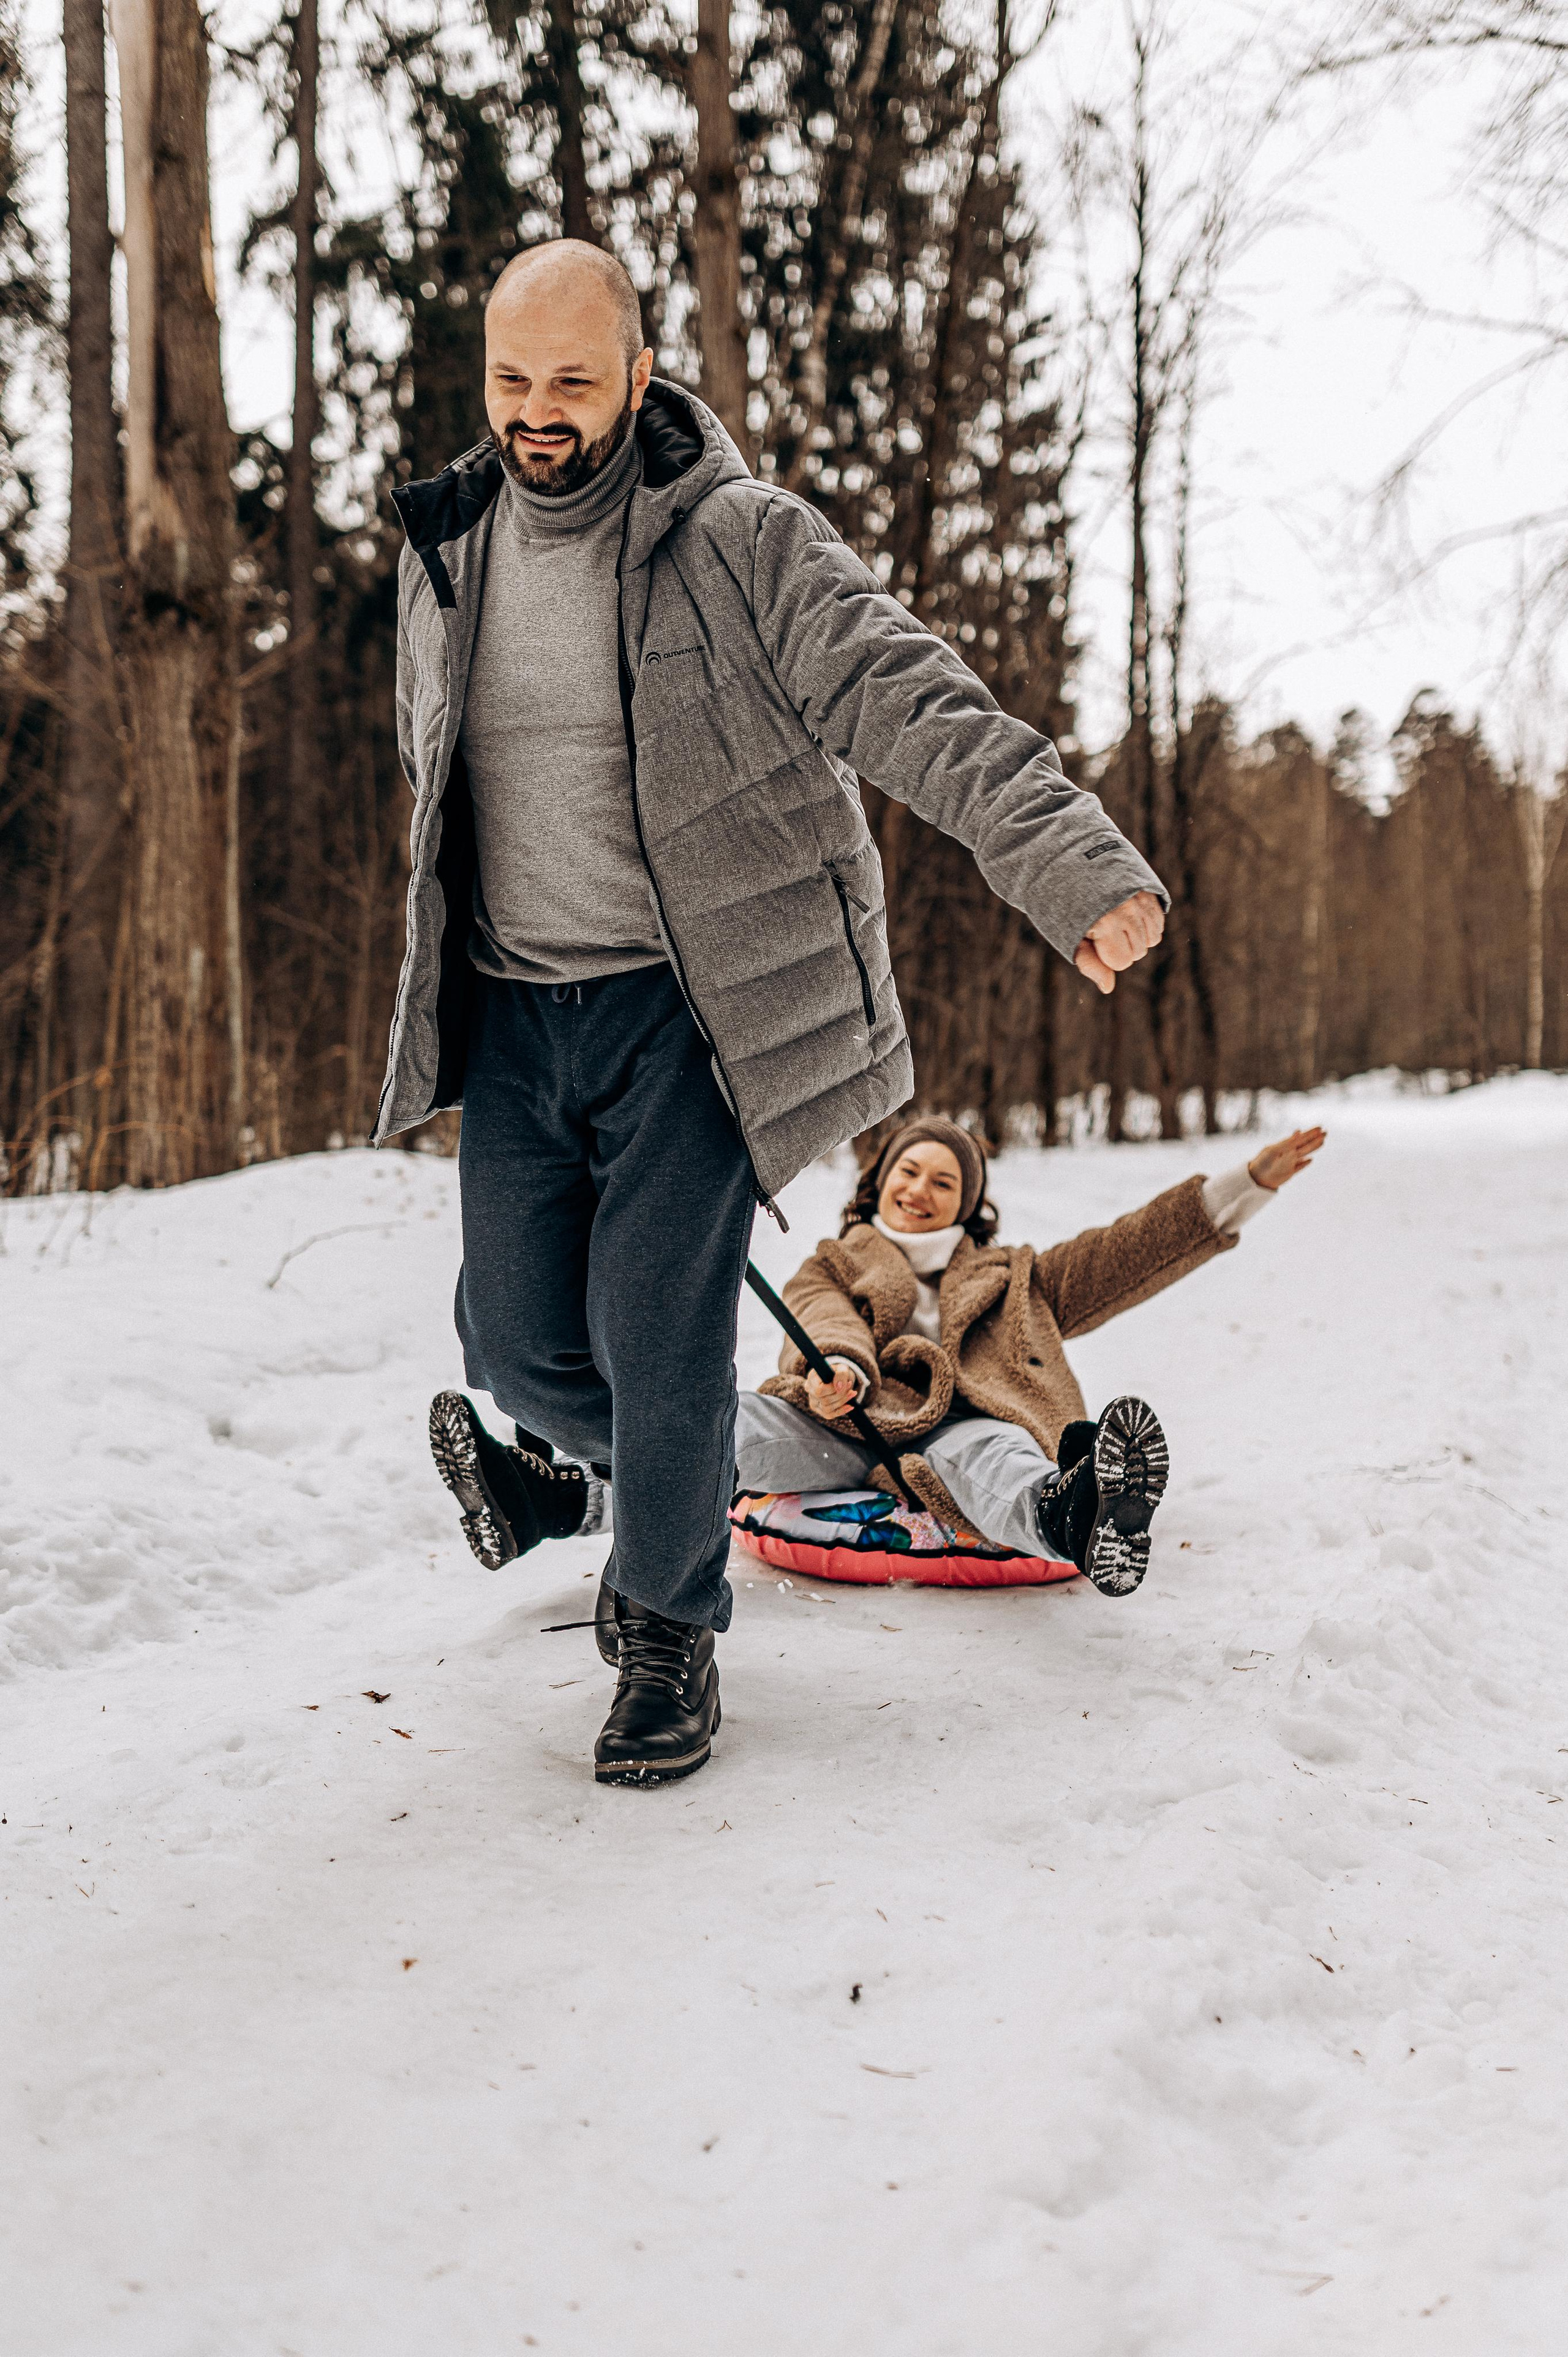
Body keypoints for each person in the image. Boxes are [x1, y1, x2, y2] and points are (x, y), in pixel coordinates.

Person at [381, 238, 1170, 1786]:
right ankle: (652, 1492)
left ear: (638, 373)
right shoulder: (447, 546)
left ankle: (666, 1630)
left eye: (570, 380)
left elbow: (903, 690)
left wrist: (1064, 859)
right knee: (520, 1347)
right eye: (510, 380)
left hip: (693, 1012)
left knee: (656, 1331)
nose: (536, 412)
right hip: (517, 1012)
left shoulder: (737, 537)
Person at [735, 1116, 1324, 1595]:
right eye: (908, 1172)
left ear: (967, 1203)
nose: (919, 1191)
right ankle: (675, 1473)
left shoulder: (1018, 1279)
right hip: (848, 1420)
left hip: (964, 1431)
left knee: (1001, 1457)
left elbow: (1128, 1251)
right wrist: (838, 1368)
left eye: (943, 1182)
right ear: (881, 1180)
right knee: (738, 1418)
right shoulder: (832, 1263)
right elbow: (822, 1317)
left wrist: (1245, 1185)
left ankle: (1082, 1514)